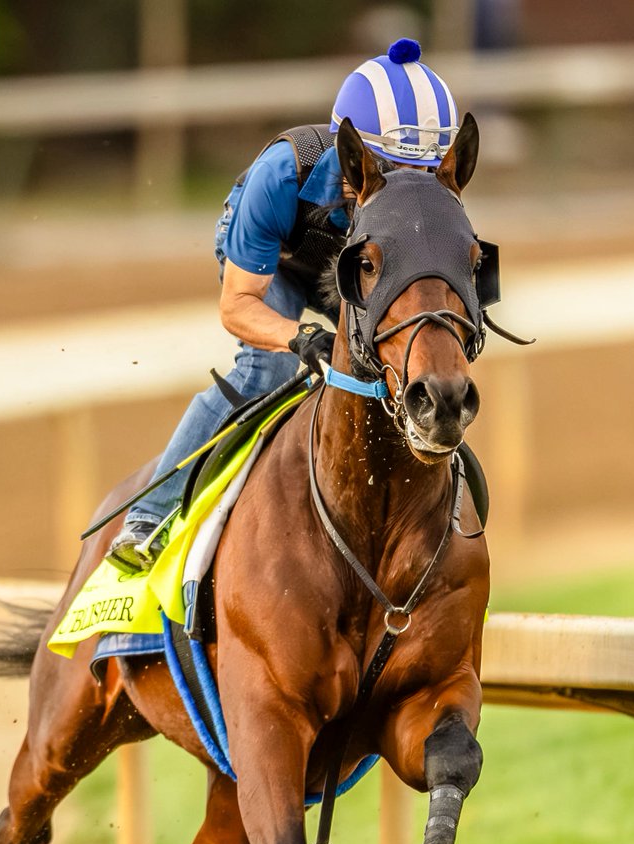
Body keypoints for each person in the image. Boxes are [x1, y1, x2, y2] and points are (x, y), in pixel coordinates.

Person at [106, 38, 460, 572]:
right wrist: (298, 337)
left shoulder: (425, 193)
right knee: (267, 366)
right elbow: (238, 306)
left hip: (363, 267)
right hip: (280, 267)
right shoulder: (282, 174)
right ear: (350, 157)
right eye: (386, 172)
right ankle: (147, 515)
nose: (408, 195)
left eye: (423, 178)